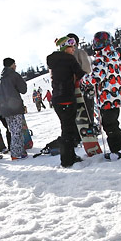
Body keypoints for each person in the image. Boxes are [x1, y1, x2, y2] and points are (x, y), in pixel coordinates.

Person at [81, 32, 121, 158]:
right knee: (113, 122)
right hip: (117, 95)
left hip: (107, 96)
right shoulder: (114, 55)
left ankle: (117, 150)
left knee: (108, 124)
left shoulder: (101, 58)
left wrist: (83, 80)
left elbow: (97, 76)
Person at [46, 36, 84, 168]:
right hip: (67, 97)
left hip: (57, 99)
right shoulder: (69, 59)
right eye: (71, 46)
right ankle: (67, 160)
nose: (73, 49)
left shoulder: (53, 61)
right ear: (64, 47)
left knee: (67, 127)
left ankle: (70, 156)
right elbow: (80, 74)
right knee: (68, 130)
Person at [0, 58, 29, 160]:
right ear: (11, 65)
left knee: (13, 130)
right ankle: (15, 154)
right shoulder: (14, 75)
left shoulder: (0, 79)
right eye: (15, 64)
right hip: (15, 107)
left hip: (5, 110)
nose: (16, 66)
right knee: (17, 131)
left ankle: (20, 151)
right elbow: (23, 89)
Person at [67, 33, 97, 130]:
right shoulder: (80, 52)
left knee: (77, 110)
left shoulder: (64, 55)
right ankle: (90, 127)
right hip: (82, 85)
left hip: (70, 87)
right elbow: (87, 69)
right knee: (87, 107)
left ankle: (78, 129)